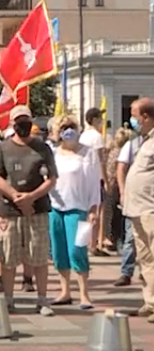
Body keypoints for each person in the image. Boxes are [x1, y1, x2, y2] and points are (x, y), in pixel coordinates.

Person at [0, 105, 58, 316]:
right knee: (8, 256)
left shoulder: (42, 148)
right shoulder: (1, 148)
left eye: (26, 121)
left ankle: (42, 299)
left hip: (37, 209)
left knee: (38, 255)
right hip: (9, 210)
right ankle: (9, 299)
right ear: (12, 124)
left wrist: (31, 197)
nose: (23, 126)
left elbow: (52, 179)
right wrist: (14, 195)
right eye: (19, 122)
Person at [46, 116, 101, 309]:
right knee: (59, 252)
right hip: (55, 208)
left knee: (77, 251)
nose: (68, 131)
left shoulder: (88, 153)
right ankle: (65, 291)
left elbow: (95, 183)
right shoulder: (52, 153)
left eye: (71, 127)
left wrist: (94, 208)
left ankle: (84, 294)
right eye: (63, 128)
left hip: (80, 209)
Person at [122, 97, 154, 322]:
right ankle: (150, 301)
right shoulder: (144, 140)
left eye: (134, 115)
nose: (131, 120)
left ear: (145, 117)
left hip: (150, 208)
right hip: (136, 208)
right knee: (145, 258)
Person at [81, 108, 111, 255]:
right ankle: (93, 245)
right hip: (95, 177)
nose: (102, 121)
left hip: (83, 177)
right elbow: (101, 160)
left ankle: (82, 243)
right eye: (100, 118)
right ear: (94, 120)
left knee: (84, 212)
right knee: (97, 211)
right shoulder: (97, 137)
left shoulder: (83, 135)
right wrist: (105, 180)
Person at [113, 127, 140, 287]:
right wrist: (122, 192)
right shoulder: (132, 145)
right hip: (133, 197)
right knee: (130, 237)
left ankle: (146, 273)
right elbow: (121, 168)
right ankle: (126, 272)